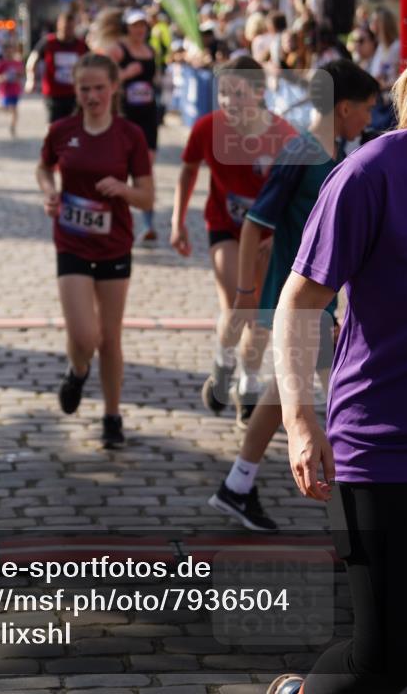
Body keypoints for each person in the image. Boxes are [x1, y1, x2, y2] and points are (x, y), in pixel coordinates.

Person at [267, 67, 407, 694]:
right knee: (382, 661)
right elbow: (298, 304)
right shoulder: (367, 176)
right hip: (381, 448)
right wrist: (299, 422)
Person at [208, 60, 379, 532]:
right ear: (343, 108)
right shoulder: (300, 153)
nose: (370, 118)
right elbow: (254, 225)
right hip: (300, 302)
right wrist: (246, 293)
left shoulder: (337, 153)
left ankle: (237, 486)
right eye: (366, 109)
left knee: (286, 388)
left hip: (319, 302)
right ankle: (359, 507)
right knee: (347, 397)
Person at [36, 52, 154, 449]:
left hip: (114, 243)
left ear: (114, 88)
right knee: (84, 334)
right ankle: (77, 368)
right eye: (84, 88)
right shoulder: (61, 130)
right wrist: (50, 192)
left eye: (99, 88)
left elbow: (148, 195)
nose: (91, 96)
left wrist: (124, 190)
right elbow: (43, 167)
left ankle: (112, 415)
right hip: (70, 240)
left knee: (110, 337)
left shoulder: (129, 135)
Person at [171, 56, 296, 424]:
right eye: (223, 93)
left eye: (237, 94)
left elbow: (296, 196)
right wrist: (177, 222)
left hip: (267, 236)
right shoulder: (207, 129)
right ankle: (224, 363)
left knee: (261, 315)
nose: (229, 102)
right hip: (225, 227)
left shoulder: (284, 137)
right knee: (239, 304)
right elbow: (188, 171)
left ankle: (248, 387)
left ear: (259, 93)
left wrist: (280, 237)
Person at [107, 9, 160, 242]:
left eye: (142, 25)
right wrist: (126, 74)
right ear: (126, 27)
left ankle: (148, 225)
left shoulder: (151, 51)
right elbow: (103, 77)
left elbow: (153, 80)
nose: (139, 30)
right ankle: (118, 219)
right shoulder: (118, 50)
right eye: (134, 25)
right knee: (120, 168)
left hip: (148, 116)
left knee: (146, 168)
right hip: (125, 115)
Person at [25, 9, 88, 124]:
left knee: (74, 125)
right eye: (64, 28)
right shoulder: (49, 42)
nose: (67, 31)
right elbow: (33, 59)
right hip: (53, 94)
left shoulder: (81, 45)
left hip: (74, 93)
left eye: (70, 28)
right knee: (55, 126)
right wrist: (31, 79)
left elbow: (90, 64)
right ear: (58, 26)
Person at [0, 38, 24, 138]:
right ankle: (2, 108)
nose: (9, 53)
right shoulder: (0, 63)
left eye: (11, 51)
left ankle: (12, 126)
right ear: (4, 52)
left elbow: (22, 74)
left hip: (15, 89)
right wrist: (2, 78)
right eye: (7, 52)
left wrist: (18, 76)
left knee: (14, 109)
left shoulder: (17, 63)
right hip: (4, 90)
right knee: (7, 107)